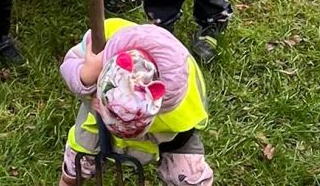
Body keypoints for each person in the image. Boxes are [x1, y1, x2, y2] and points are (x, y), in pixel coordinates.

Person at [58, 18, 214, 186]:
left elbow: (149, 141)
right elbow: (69, 63)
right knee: (78, 162)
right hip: (96, 119)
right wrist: (86, 75)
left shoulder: (177, 109)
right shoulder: (102, 38)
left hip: (173, 135)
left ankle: (184, 172)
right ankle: (71, 178)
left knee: (189, 177)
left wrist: (131, 144)